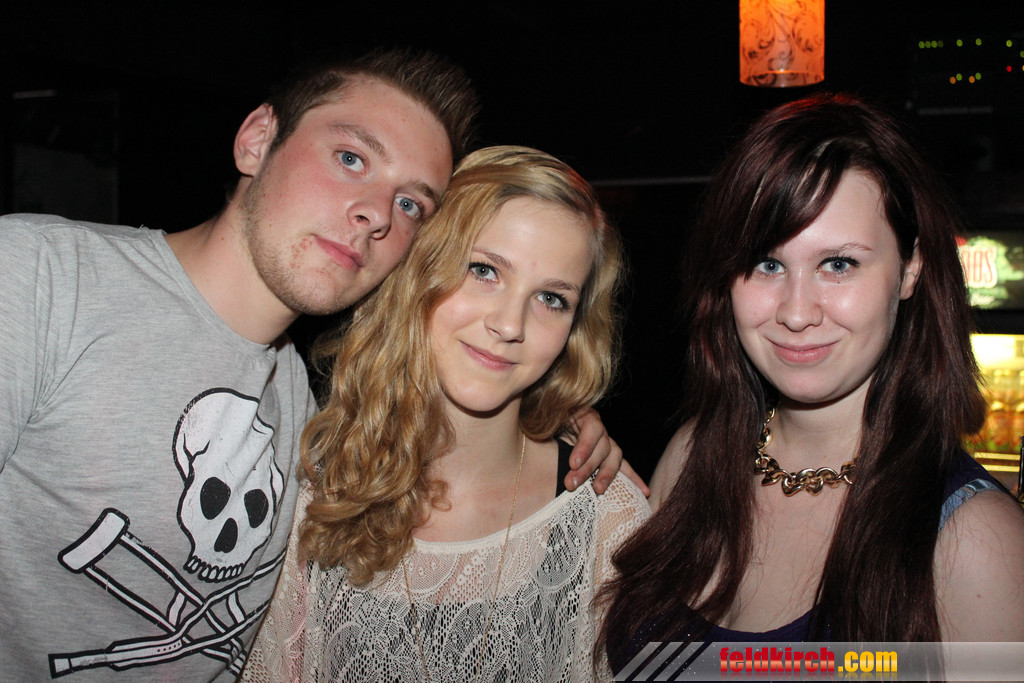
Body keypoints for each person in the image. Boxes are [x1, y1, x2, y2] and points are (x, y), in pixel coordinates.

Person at [0, 49, 627, 681]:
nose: (377, 213)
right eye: (351, 159)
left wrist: (557, 411)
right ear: (257, 140)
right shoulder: (40, 279)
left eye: (410, 204)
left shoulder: (300, 409)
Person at [600, 93, 1024, 673]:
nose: (796, 312)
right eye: (768, 263)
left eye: (839, 264)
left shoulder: (977, 546)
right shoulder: (693, 456)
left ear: (910, 269)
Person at [243, 145, 652, 682]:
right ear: (419, 269)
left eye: (552, 299)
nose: (510, 324)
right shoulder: (308, 495)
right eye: (484, 270)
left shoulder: (607, 519)